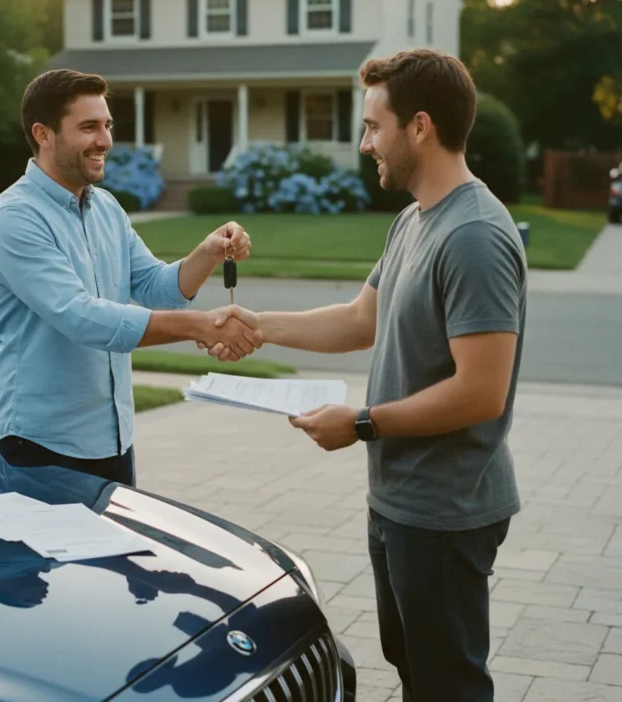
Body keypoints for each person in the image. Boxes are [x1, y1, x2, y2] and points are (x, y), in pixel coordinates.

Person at [205, 49, 527, 701]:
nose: (364, 143)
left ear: (420, 127)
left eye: (374, 126)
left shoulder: (474, 235)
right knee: (415, 670)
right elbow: (359, 319)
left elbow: (481, 391)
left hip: (447, 507)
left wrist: (360, 424)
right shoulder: (414, 221)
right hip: (400, 501)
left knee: (448, 685)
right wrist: (259, 325)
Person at [0, 68, 261, 488]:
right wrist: (199, 326)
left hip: (114, 444)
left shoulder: (106, 208)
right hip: (40, 451)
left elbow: (156, 289)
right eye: (89, 127)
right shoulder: (15, 218)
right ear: (43, 134)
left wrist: (207, 252)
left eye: (107, 125)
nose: (105, 140)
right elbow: (82, 317)